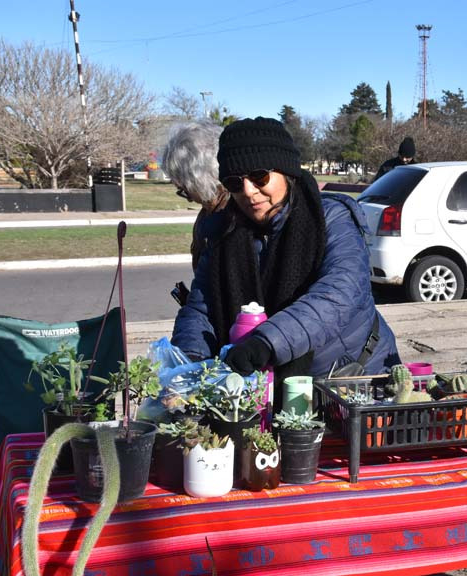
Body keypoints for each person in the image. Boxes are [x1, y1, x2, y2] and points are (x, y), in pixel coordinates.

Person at [171, 116, 400, 393]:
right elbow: (201, 307)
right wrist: (190, 362)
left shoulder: (333, 218)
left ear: (286, 171)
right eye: (234, 182)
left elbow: (339, 293)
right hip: (270, 389)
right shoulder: (225, 232)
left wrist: (266, 342)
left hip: (351, 379)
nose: (249, 192)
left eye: (259, 176)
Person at [162, 121, 230, 306]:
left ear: (200, 179)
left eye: (185, 190)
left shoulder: (233, 216)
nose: (188, 198)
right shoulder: (207, 213)